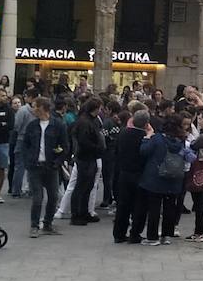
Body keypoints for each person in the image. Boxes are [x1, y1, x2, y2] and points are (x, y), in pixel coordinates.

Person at [139, 115, 195, 243]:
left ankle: (152, 237)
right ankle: (166, 235)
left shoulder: (157, 139)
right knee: (170, 207)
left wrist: (147, 138)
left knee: (154, 208)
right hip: (174, 178)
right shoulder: (181, 140)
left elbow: (144, 151)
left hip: (156, 177)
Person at [20, 97, 69, 237]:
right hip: (35, 166)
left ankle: (47, 223)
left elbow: (65, 146)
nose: (33, 109)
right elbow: (25, 144)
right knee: (37, 197)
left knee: (53, 196)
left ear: (42, 108)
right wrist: (27, 160)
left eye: (35, 106)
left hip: (51, 166)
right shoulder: (32, 125)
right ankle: (34, 225)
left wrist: (58, 161)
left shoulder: (58, 125)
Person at [113, 110, 149, 243]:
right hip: (139, 173)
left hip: (124, 172)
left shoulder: (123, 133)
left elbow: (116, 151)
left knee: (123, 205)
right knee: (139, 205)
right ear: (146, 124)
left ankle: (119, 233)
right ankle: (135, 233)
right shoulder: (144, 137)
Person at [69, 97, 105, 226]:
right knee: (81, 185)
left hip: (91, 156)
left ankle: (83, 212)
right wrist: (97, 147)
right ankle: (76, 214)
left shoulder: (91, 120)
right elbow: (84, 141)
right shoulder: (85, 122)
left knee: (87, 186)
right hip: (85, 157)